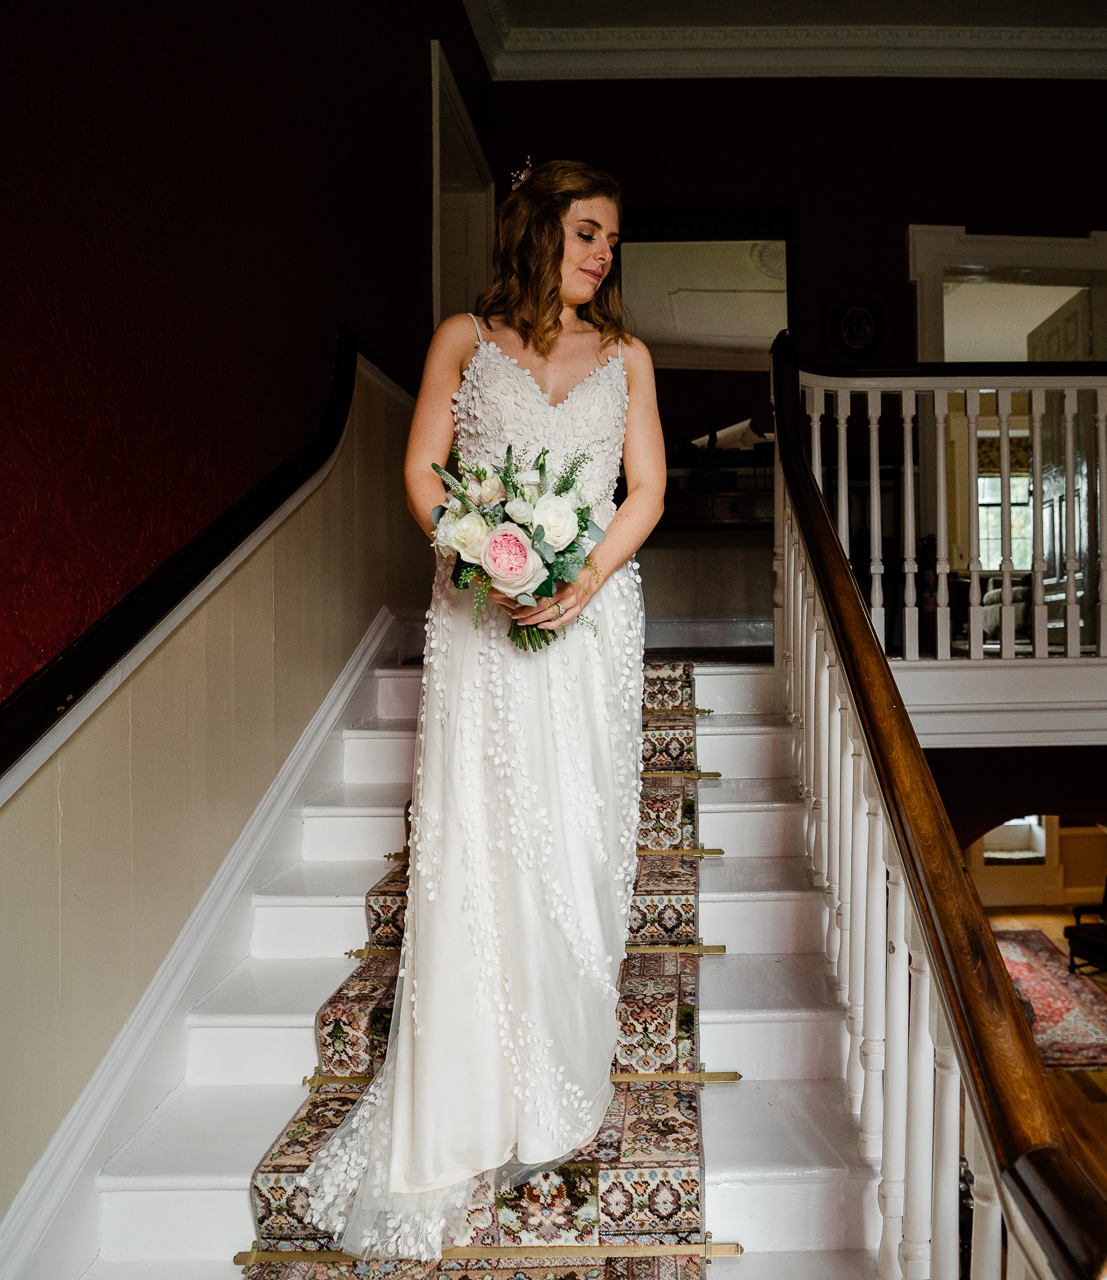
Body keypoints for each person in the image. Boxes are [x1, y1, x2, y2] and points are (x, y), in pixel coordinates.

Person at [300, 160, 665, 1259]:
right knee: (484, 834)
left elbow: (644, 489)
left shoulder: (630, 357)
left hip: (591, 622)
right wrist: (481, 556)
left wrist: (582, 577)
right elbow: (424, 468)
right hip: (482, 618)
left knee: (576, 835)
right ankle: (471, 1087)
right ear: (540, 228)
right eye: (589, 232)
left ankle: (561, 1070)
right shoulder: (464, 340)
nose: (603, 255)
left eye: (611, 240)